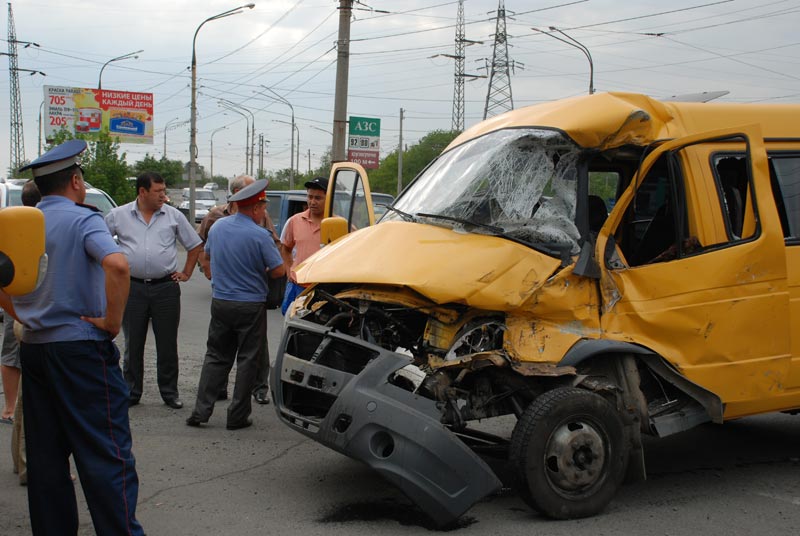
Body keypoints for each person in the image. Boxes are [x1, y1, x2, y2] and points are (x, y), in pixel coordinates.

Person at [0, 139, 144, 534]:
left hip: (35, 348)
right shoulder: (84, 219)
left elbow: (3, 282)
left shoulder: (22, 225)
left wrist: (27, 315)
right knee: (106, 453)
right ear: (76, 181)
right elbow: (117, 265)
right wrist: (111, 324)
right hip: (81, 351)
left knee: (46, 460)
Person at [186, 179, 285, 430]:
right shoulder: (260, 235)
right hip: (250, 305)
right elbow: (277, 271)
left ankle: (201, 411)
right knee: (248, 359)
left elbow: (207, 255)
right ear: (254, 208)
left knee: (216, 356)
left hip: (221, 302)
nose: (265, 212)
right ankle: (237, 416)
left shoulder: (218, 228)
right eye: (263, 207)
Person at [106, 172, 203, 409]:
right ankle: (131, 391)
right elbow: (99, 242)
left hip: (166, 288)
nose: (163, 196)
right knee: (133, 342)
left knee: (167, 344)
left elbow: (195, 245)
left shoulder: (173, 216)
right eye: (158, 191)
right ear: (142, 192)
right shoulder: (118, 216)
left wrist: (186, 273)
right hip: (133, 287)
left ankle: (169, 392)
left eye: (164, 190)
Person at [9, 180, 41, 487]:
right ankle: (31, 465)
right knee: (39, 397)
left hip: (22, 317)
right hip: (37, 321)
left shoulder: (13, 228)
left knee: (24, 398)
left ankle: (21, 461)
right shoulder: (35, 233)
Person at [279, 177, 328, 314]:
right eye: (310, 197)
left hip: (324, 290)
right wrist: (290, 272)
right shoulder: (295, 221)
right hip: (297, 286)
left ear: (329, 198)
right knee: (292, 326)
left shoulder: (338, 224)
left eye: (318, 198)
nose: (312, 202)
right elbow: (286, 248)